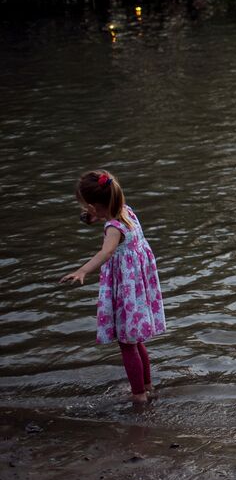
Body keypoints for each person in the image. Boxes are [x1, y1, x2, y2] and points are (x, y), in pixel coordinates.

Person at [60, 170, 166, 405]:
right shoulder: (125, 210)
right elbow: (105, 215)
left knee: (127, 344)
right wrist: (93, 216)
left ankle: (138, 395)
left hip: (126, 288)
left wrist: (82, 270)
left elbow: (106, 251)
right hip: (137, 286)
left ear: (93, 205)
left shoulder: (113, 228)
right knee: (135, 339)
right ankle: (148, 386)